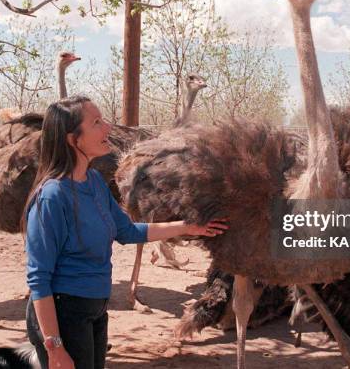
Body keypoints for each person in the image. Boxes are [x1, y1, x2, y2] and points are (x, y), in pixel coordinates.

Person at [23, 95, 228, 369]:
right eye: (96, 122)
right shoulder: (51, 197)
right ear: (73, 140)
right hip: (63, 315)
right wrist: (55, 347)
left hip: (95, 309)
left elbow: (128, 231)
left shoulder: (94, 182)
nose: (107, 127)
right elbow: (39, 279)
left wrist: (189, 227)